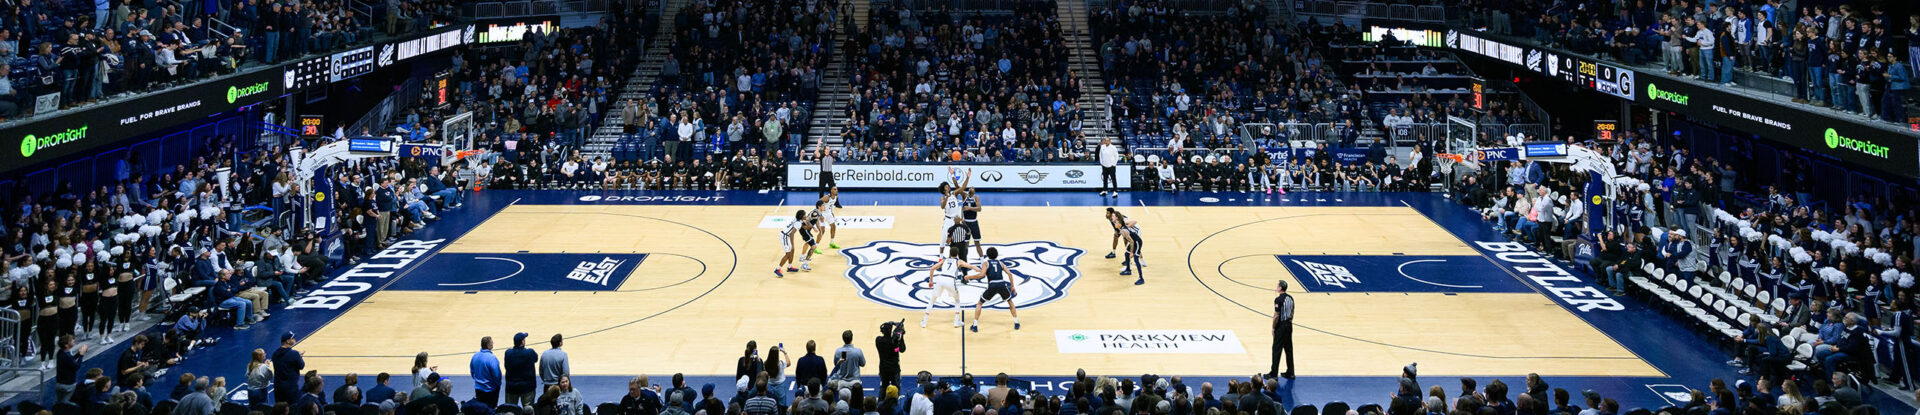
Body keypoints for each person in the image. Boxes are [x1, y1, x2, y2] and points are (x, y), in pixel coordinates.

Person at [923, 244, 980, 328]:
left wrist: (931, 281)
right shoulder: (958, 261)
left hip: (940, 279)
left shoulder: (944, 260)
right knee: (957, 299)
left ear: (949, 253)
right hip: (950, 280)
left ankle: (924, 321)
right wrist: (981, 271)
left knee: (932, 299)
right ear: (957, 254)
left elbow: (932, 269)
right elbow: (971, 266)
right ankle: (956, 321)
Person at [967, 247, 1020, 332]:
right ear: (996, 254)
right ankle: (1016, 323)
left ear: (987, 255)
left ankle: (975, 325)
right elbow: (1010, 274)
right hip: (1002, 284)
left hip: (992, 285)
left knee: (980, 303)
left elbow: (981, 275)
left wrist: (969, 277)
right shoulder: (1000, 263)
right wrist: (1013, 286)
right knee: (1010, 302)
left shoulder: (986, 263)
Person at [504, 333, 539, 407]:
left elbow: (506, 366)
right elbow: (536, 359)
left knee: (510, 409)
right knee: (528, 409)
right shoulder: (529, 352)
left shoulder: (508, 353)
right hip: (527, 387)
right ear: (522, 342)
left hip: (512, 387)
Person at [1270, 280, 1295, 380]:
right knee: (1289, 349)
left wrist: (1273, 327)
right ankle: (1291, 372)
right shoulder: (1291, 298)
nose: (1276, 287)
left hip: (1281, 326)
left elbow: (1276, 316)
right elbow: (1292, 312)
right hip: (1289, 324)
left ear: (1280, 288)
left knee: (1276, 349)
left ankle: (1274, 374)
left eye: (1277, 285)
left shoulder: (1278, 299)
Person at [272, 332, 305, 405]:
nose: (294, 339)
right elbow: (301, 366)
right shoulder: (294, 354)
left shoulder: (275, 353)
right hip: (290, 387)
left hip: (278, 386)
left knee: (280, 408)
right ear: (287, 341)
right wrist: (300, 357)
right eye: (292, 338)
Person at [53, 334, 86, 405]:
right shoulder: (67, 356)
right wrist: (81, 355)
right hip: (68, 385)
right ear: (66, 345)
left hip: (59, 383)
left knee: (59, 402)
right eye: (71, 341)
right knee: (66, 403)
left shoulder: (60, 352)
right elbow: (76, 367)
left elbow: (70, 361)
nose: (73, 341)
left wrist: (78, 354)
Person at [471, 336, 503, 407]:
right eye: (492, 342)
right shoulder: (492, 358)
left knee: (480, 408)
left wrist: (478, 381)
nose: (493, 343)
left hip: (478, 388)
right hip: (490, 389)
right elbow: (497, 375)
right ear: (489, 345)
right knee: (491, 409)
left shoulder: (475, 356)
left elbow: (472, 372)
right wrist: (498, 384)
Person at [876, 321, 907, 390]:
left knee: (884, 387)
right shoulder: (895, 344)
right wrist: (901, 335)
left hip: (883, 368)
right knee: (896, 387)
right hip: (894, 369)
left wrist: (892, 323)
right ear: (891, 331)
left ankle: (881, 400)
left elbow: (891, 341)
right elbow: (902, 349)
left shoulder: (878, 340)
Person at [776, 209, 807, 277]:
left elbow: (805, 226)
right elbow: (792, 234)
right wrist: (792, 244)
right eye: (804, 215)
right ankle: (778, 269)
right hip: (785, 236)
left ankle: (789, 267)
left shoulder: (798, 220)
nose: (806, 215)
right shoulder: (798, 223)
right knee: (788, 254)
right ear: (801, 216)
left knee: (792, 251)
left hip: (786, 235)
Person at [1118, 213, 1145, 284]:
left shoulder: (1123, 230)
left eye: (1117, 223)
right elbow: (1127, 239)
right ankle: (1128, 270)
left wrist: (1132, 252)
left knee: (1136, 259)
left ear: (1120, 224)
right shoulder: (1121, 229)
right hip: (1133, 241)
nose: (1115, 223)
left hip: (1137, 242)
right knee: (1126, 254)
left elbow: (1132, 242)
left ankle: (1141, 278)